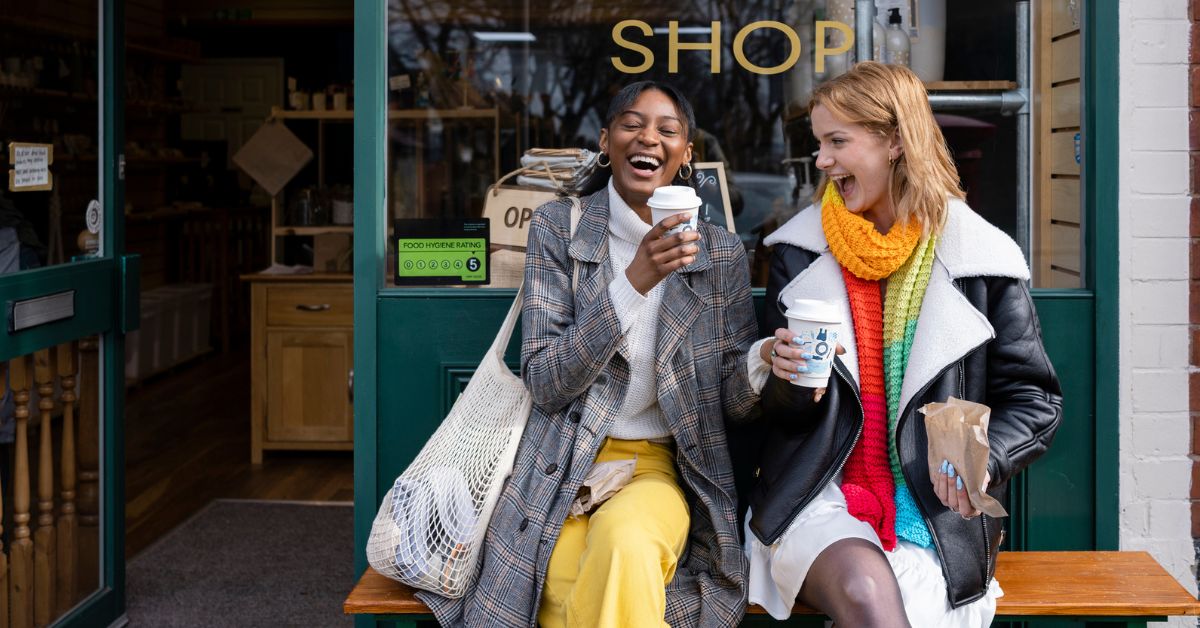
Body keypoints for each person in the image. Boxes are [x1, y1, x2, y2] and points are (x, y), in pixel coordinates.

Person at [417, 81, 761, 627]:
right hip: (562, 462)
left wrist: (764, 364)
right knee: (565, 582)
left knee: (626, 544)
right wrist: (634, 282)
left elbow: (732, 400)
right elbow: (546, 380)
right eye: (631, 124)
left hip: (660, 467)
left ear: (686, 155)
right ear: (605, 141)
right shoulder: (560, 227)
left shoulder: (718, 253)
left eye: (667, 130)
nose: (648, 138)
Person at [742, 62, 1063, 627]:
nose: (822, 161)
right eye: (819, 143)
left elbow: (1035, 399)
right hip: (819, 492)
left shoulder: (980, 258)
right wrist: (787, 379)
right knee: (865, 589)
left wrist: (985, 459)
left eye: (837, 141)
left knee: (906, 603)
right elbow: (782, 420)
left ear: (894, 141)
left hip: (937, 510)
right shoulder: (799, 252)